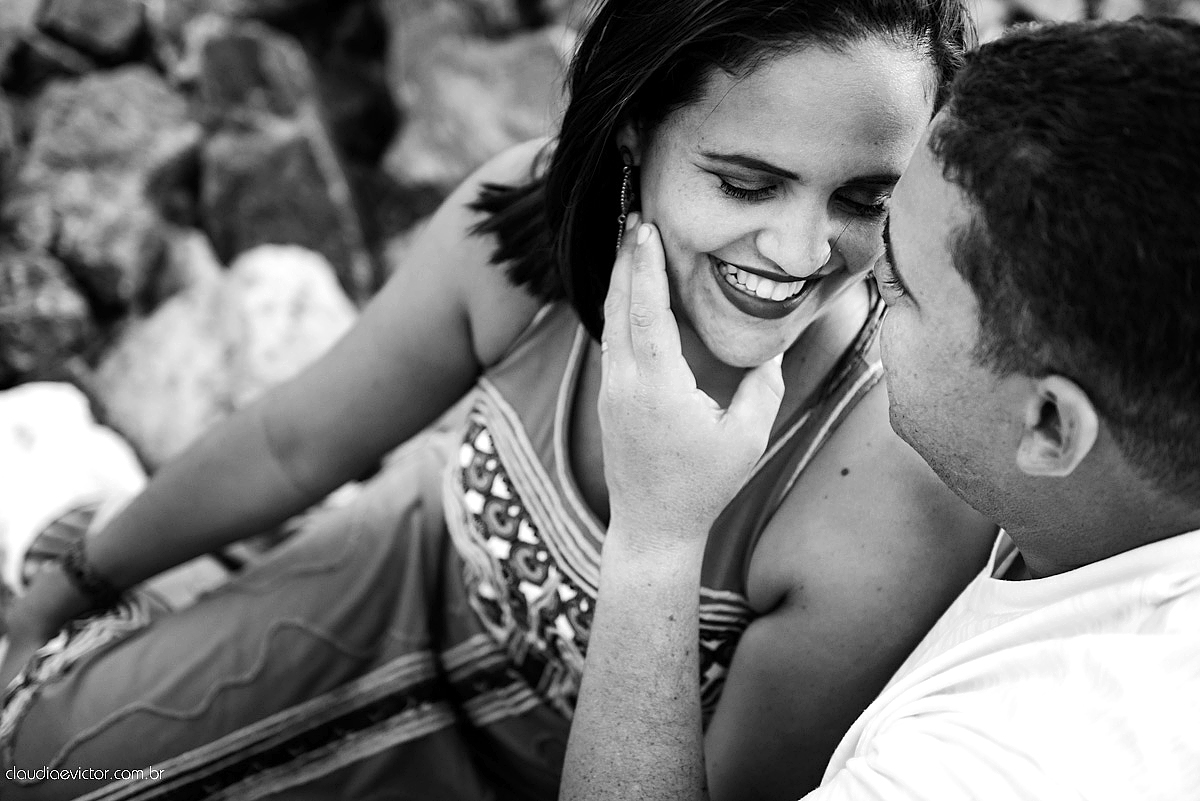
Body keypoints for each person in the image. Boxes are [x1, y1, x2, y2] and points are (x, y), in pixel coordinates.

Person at [0, 1, 997, 799]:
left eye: (865, 199)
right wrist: (72, 583)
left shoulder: (890, 480)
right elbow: (293, 445)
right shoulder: (526, 236)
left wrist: (666, 523)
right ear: (636, 133)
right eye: (745, 184)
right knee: (44, 757)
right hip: (380, 591)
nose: (799, 251)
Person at [563, 15, 1200, 801]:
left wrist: (657, 541)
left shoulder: (998, 764)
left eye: (895, 284)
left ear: (1049, 426)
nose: (804, 260)